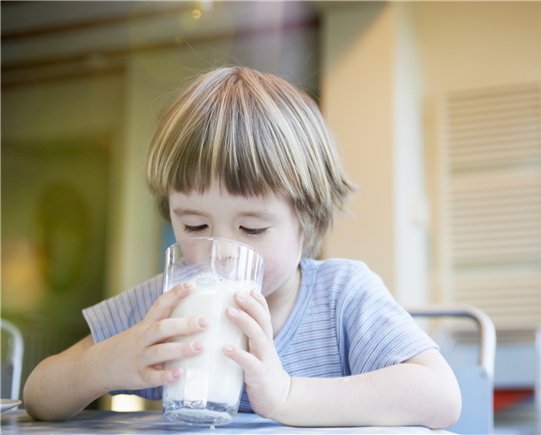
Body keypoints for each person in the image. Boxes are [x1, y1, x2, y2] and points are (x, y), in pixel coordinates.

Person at [23, 66, 461, 428]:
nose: (223, 250)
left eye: (251, 228)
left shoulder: (342, 297)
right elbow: (39, 395)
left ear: (307, 223)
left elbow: (440, 395)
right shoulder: (167, 306)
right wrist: (107, 363)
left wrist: (289, 395)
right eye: (195, 224)